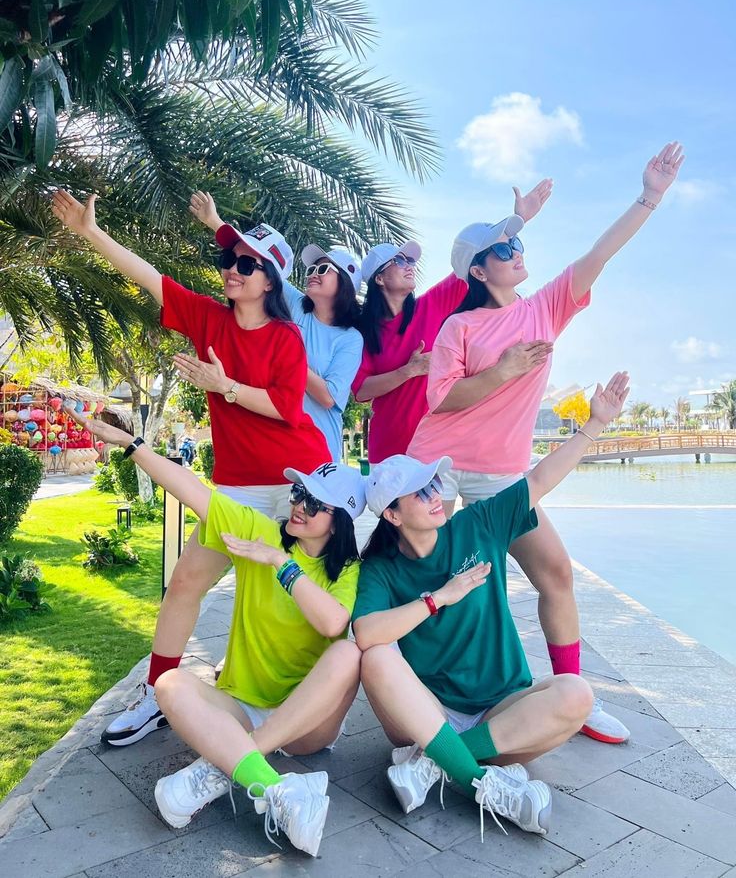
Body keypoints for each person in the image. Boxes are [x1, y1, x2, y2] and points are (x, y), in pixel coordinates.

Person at [407, 142, 684, 745]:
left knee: (556, 572)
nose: (517, 253)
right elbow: (441, 400)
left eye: (519, 245)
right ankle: (419, 694)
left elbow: (600, 254)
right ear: (478, 270)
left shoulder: (548, 306)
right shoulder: (459, 325)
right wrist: (502, 371)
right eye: (503, 250)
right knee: (435, 581)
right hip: (439, 469)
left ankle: (571, 697)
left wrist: (651, 196)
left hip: (504, 474)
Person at [50, 189, 330, 747]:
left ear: (271, 279)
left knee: (300, 596)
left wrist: (224, 386)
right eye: (227, 260)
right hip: (236, 488)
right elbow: (150, 277)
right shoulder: (207, 317)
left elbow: (285, 406)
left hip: (299, 486)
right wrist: (90, 233)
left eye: (245, 263)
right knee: (184, 583)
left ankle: (307, 706)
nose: (231, 269)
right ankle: (158, 692)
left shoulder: (286, 337)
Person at [71, 408, 366, 858]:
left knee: (348, 656)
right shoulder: (259, 531)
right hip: (242, 705)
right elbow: (196, 493)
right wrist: (131, 446)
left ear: (341, 520)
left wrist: (280, 564)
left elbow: (331, 623)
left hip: (306, 723)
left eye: (314, 503)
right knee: (169, 684)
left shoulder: (346, 569)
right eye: (298, 493)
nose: (299, 506)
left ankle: (222, 764)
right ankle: (275, 789)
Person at [353, 373, 629, 840]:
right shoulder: (381, 569)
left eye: (433, 484)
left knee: (576, 695)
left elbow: (539, 478)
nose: (434, 494)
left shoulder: (477, 524)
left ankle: (438, 762)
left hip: (505, 711)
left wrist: (595, 424)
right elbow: (365, 633)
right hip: (427, 713)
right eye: (419, 492)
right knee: (376, 657)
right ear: (393, 516)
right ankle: (474, 775)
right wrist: (439, 598)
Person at [352, 181, 552, 463]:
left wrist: (516, 223)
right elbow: (360, 390)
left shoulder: (431, 304)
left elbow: (474, 260)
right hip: (389, 451)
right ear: (379, 279)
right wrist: (408, 371)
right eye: (399, 260)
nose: (410, 264)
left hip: (439, 449)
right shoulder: (364, 333)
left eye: (410, 259)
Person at [188, 191, 364, 462]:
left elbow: (329, 397)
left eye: (323, 270)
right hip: (278, 444)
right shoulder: (296, 306)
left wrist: (290, 363)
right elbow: (260, 261)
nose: (312, 275)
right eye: (311, 270)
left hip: (319, 451)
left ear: (345, 287)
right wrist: (214, 221)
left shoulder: (350, 339)